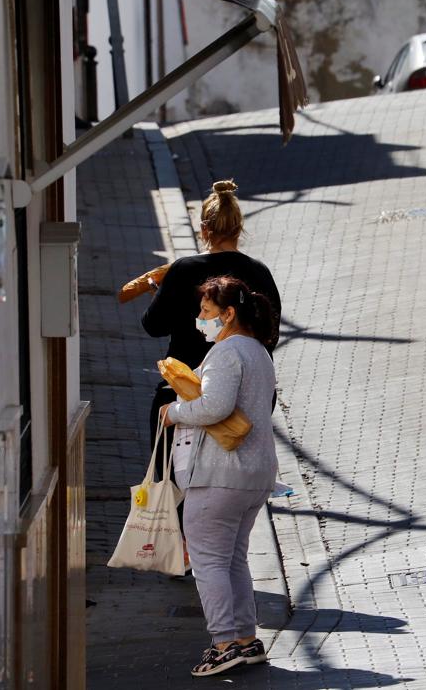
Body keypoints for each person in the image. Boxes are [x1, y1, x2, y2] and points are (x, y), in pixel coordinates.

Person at [160, 276, 279, 677]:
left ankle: (224, 644)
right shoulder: (258, 351)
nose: (200, 318)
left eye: (206, 311)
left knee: (209, 560)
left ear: (228, 314)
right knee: (232, 559)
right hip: (255, 472)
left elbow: (215, 406)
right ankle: (246, 638)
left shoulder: (227, 352)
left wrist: (173, 412)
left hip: (220, 472)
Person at [143, 179, 282, 464]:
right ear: (238, 228)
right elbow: (271, 335)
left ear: (204, 229)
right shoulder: (260, 273)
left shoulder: (184, 270)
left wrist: (162, 296)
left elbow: (153, 326)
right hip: (247, 398)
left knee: (177, 481)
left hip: (187, 392)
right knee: (238, 477)